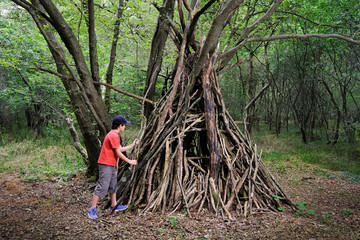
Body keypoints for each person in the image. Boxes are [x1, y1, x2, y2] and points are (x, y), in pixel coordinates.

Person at [88, 115, 139, 219]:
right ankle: (92, 209)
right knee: (102, 186)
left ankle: (114, 205)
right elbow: (118, 153)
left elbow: (120, 149)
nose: (125, 127)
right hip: (106, 164)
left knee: (113, 185)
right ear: (120, 125)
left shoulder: (115, 135)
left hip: (110, 164)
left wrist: (132, 145)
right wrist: (130, 161)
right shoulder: (113, 135)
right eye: (124, 125)